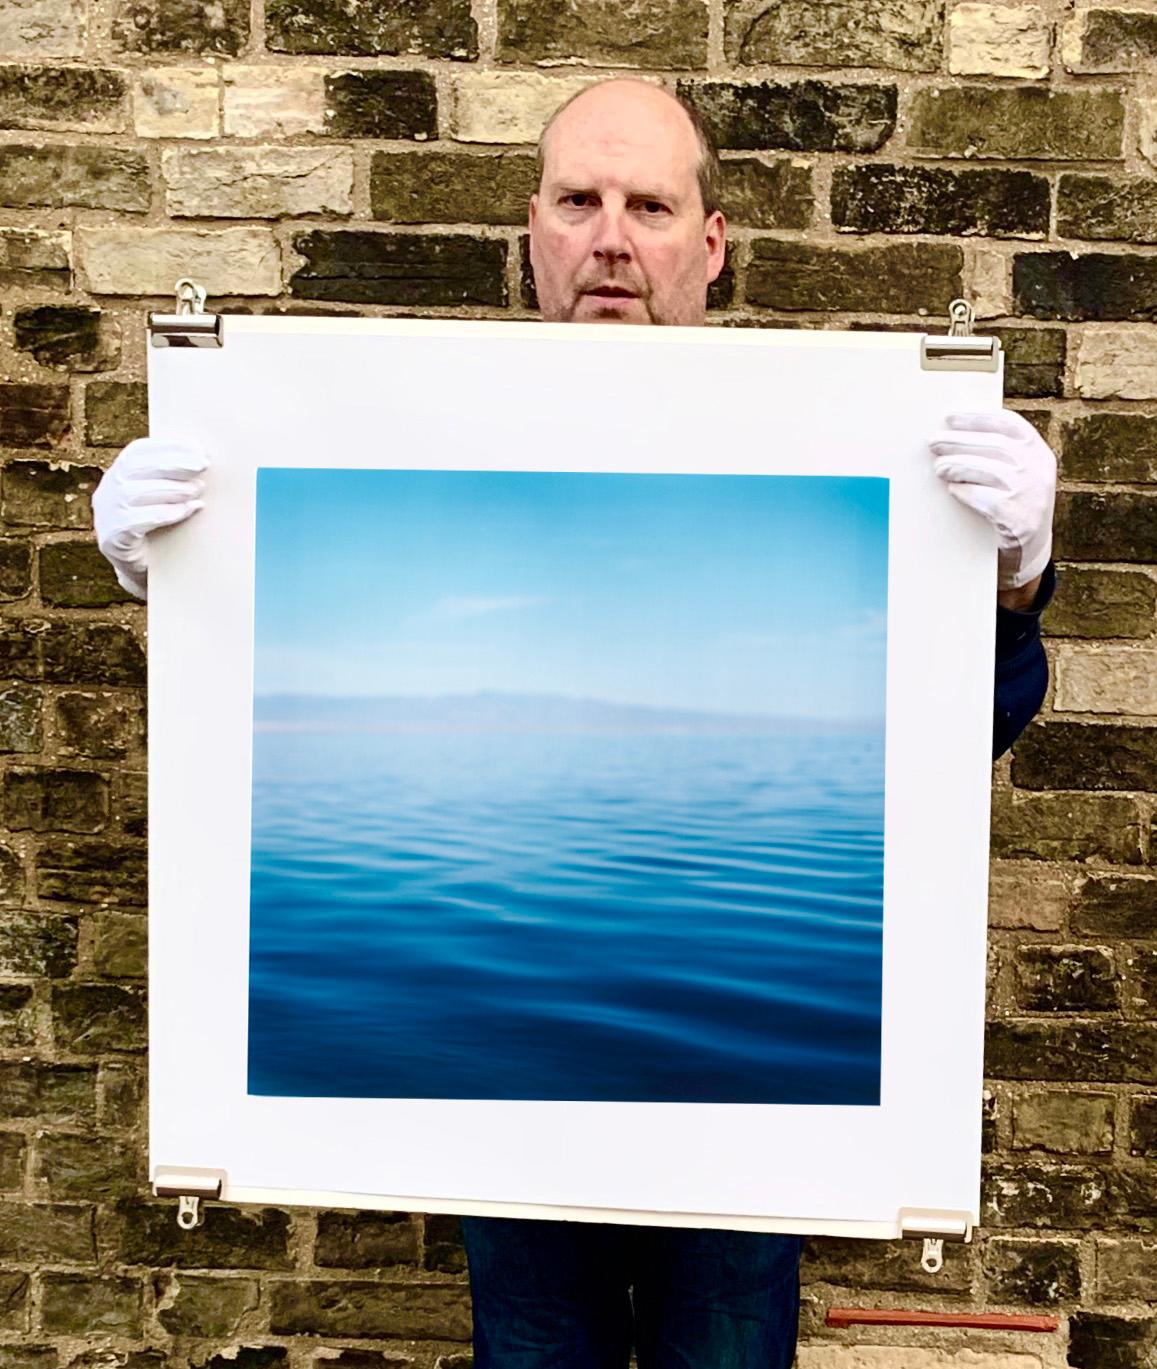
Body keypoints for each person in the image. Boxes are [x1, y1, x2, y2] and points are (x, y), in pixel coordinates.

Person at [93, 78, 1056, 1369]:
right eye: (578, 200)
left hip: (743, 1071)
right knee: (534, 1343)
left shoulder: (844, 447)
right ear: (531, 228)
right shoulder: (399, 435)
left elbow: (955, 741)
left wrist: (1005, 583)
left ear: (706, 242)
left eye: (649, 204)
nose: (611, 236)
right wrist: (194, 583)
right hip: (508, 1070)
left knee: (723, 1344)